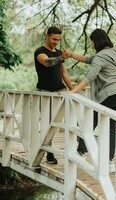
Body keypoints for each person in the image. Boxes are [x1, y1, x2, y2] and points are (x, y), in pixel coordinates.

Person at [60, 28, 116, 172]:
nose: (91, 45)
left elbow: (90, 77)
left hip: (110, 93)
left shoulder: (100, 57)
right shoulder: (113, 53)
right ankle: (110, 162)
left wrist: (72, 90)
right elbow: (88, 59)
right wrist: (71, 55)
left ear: (95, 41)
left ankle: (81, 152)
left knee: (89, 119)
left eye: (92, 42)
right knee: (111, 127)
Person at [34, 26, 73, 164]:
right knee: (47, 123)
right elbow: (47, 62)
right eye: (54, 39)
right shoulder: (40, 51)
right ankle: (49, 153)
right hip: (45, 92)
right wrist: (62, 57)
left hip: (60, 91)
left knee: (58, 122)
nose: (56, 42)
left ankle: (77, 150)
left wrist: (73, 90)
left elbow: (64, 73)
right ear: (48, 36)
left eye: (58, 40)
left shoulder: (57, 52)